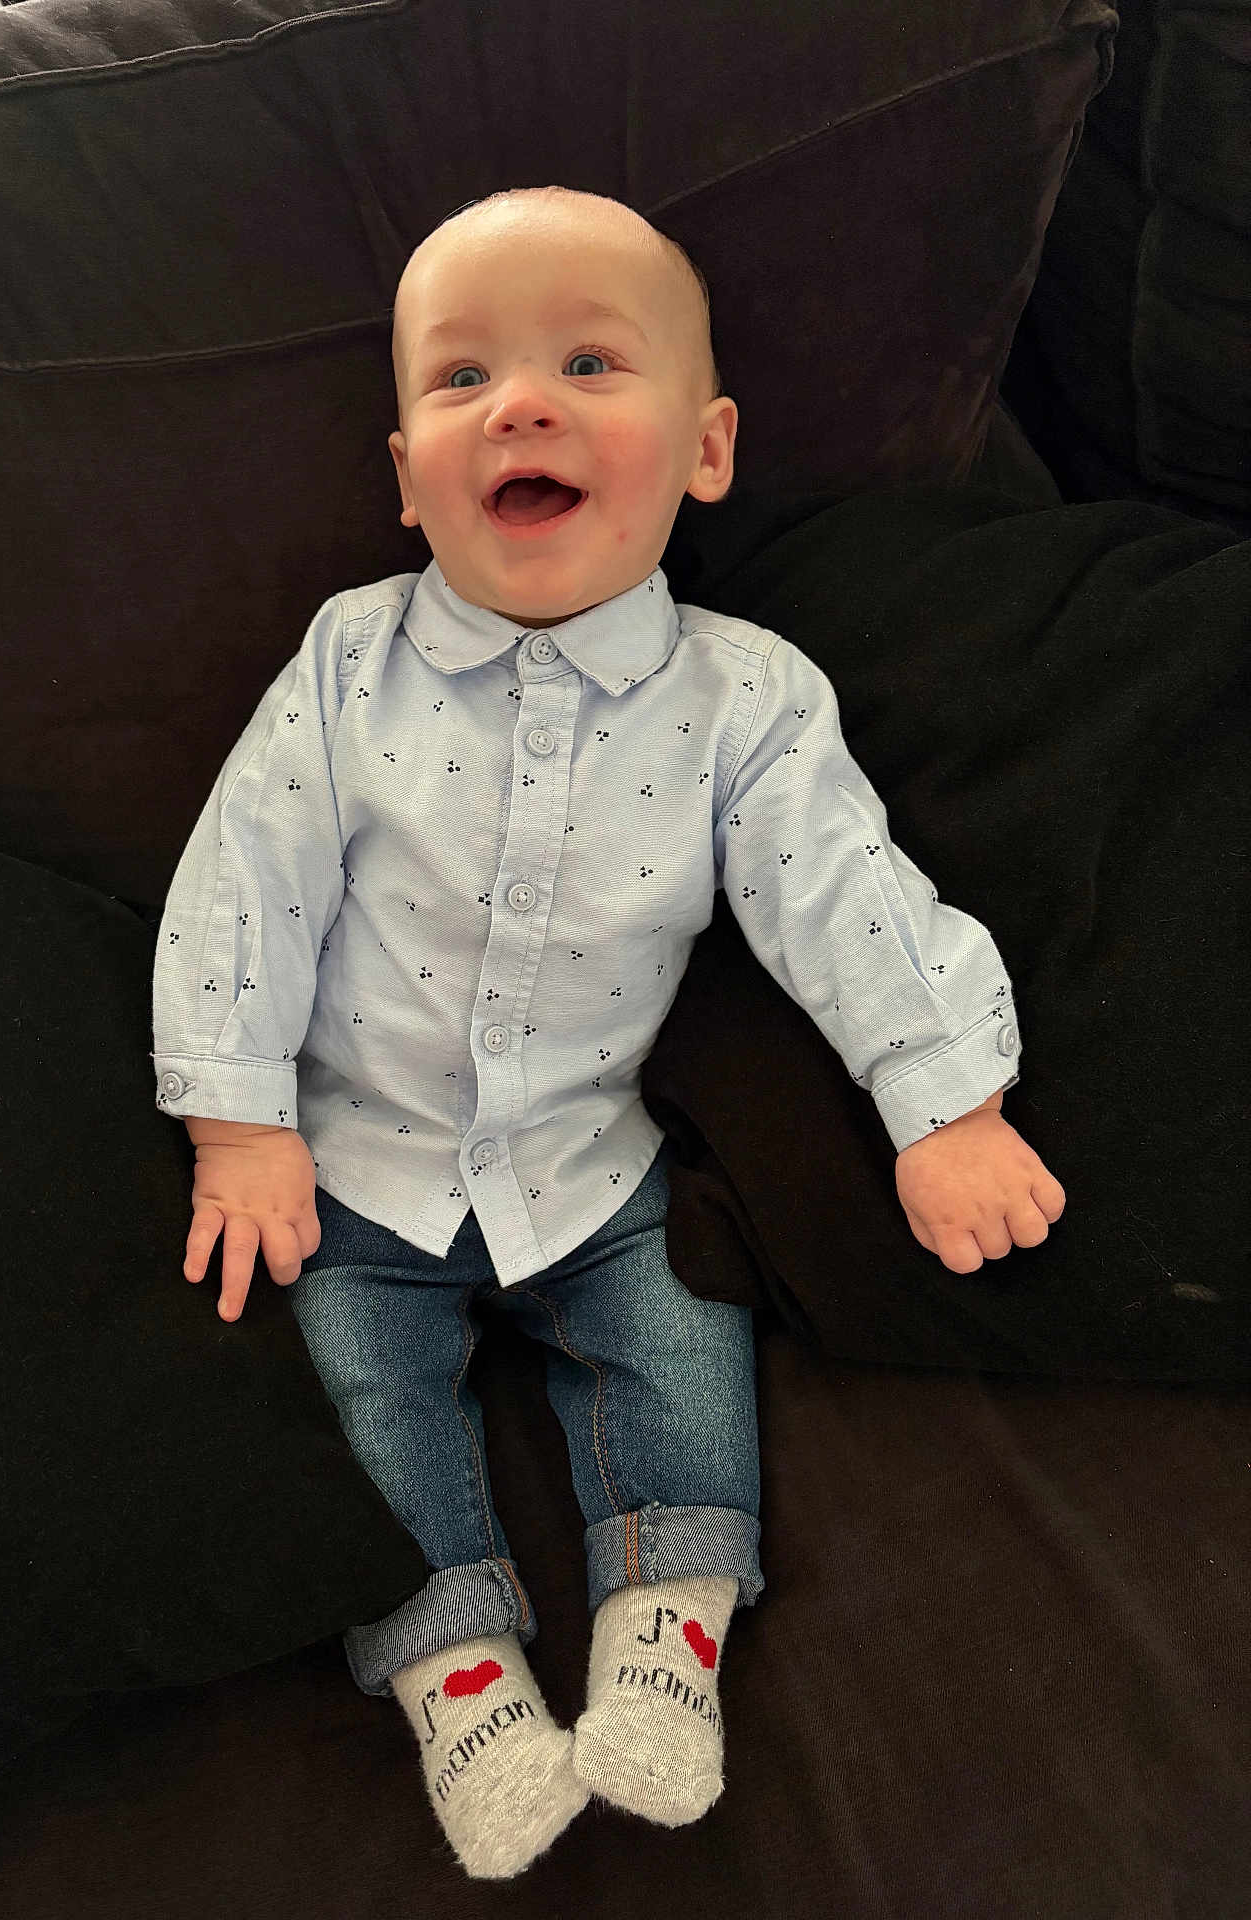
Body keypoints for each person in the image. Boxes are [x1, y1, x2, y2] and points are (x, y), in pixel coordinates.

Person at [150, 185, 1066, 1879]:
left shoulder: (750, 699)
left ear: (706, 450)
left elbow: (842, 895)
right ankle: (459, 1670)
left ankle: (666, 1621)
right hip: (361, 1155)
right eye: (463, 379)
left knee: (680, 1344)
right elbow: (242, 884)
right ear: (408, 472)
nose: (523, 405)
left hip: (592, 1155)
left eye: (588, 361)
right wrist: (238, 1123)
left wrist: (945, 1104)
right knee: (348, 1386)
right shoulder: (352, 666)